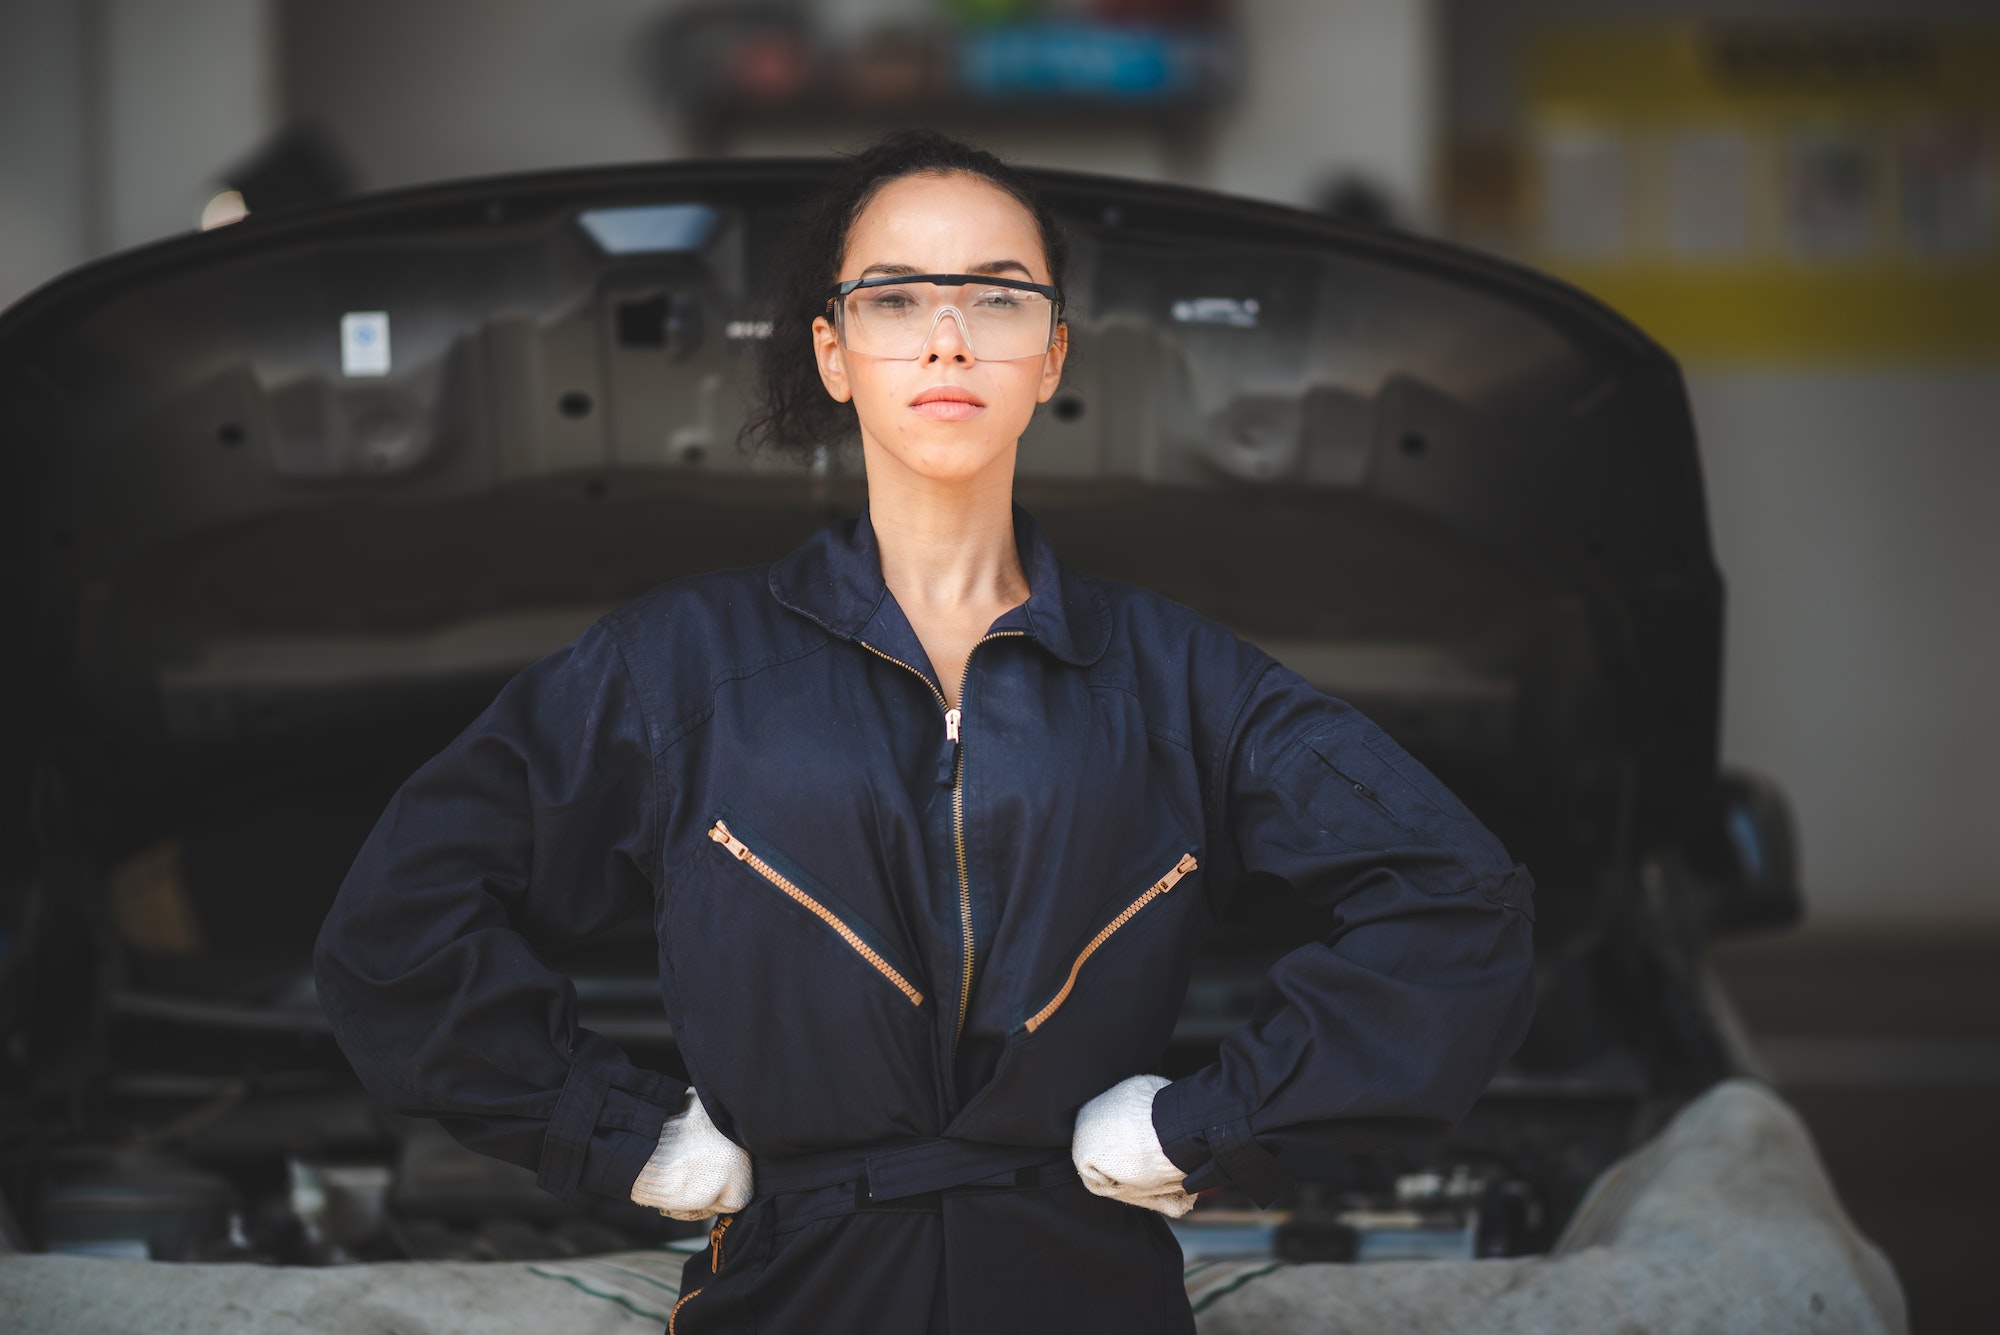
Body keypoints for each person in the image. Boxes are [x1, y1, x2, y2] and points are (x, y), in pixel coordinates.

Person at [314, 131, 1536, 1333]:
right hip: (795, 1291)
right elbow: (398, 924)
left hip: (1083, 1290)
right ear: (831, 350)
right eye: (896, 298)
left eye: (997, 298)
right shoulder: (674, 666)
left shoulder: (1177, 679)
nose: (948, 336)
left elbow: (1452, 898)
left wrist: (1207, 1126)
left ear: (1052, 355)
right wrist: (617, 1134)